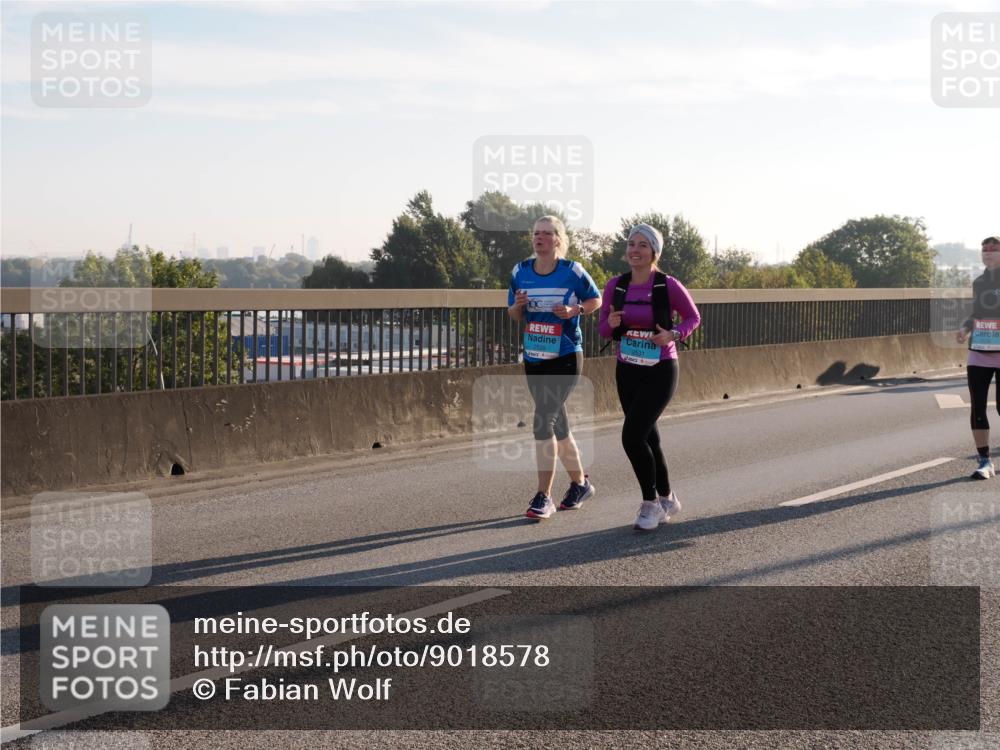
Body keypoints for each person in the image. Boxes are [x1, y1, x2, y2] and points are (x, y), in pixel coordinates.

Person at [598, 223, 701, 532]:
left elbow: (693, 317)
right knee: (648, 436)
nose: (635, 250)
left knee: (632, 436)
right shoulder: (615, 286)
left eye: (643, 245)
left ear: (654, 252)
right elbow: (603, 329)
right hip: (627, 368)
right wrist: (612, 322)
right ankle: (668, 498)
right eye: (631, 244)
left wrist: (673, 333)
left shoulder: (667, 285)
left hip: (661, 368)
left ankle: (650, 504)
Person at [507, 216, 602, 520]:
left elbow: (595, 300)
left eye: (547, 233)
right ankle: (581, 483)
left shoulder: (572, 271)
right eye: (536, 233)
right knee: (558, 426)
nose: (540, 238)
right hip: (535, 356)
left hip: (565, 356)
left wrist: (575, 310)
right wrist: (519, 304)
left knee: (542, 420)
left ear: (558, 239)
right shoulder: (520, 271)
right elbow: (513, 313)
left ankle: (543, 496)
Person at [956, 235, 1000, 480]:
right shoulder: (980, 282)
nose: (988, 252)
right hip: (980, 352)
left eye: (994, 249)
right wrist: (965, 327)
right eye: (984, 249)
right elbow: (977, 312)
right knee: (978, 406)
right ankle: (985, 461)